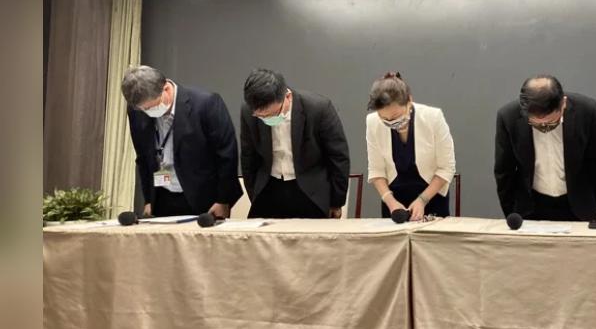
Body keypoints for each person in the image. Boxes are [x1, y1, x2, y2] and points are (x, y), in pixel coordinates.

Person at [122, 65, 242, 217]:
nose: (148, 112)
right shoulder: (137, 112)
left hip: (204, 199)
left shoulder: (206, 104)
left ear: (166, 88)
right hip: (162, 197)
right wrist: (148, 200)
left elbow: (226, 154)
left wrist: (223, 200)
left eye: (152, 106)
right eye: (144, 109)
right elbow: (143, 158)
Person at [494, 75, 596, 221]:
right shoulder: (508, 116)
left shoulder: (587, 110)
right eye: (536, 124)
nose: (544, 129)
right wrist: (510, 212)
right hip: (530, 207)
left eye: (551, 123)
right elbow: (504, 169)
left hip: (578, 205)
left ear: (563, 103)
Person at [240, 69, 351, 218]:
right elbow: (248, 157)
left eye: (273, 114)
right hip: (269, 189)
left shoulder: (318, 108)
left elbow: (338, 157)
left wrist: (336, 202)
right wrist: (254, 194)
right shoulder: (248, 111)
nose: (267, 120)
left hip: (310, 191)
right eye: (261, 116)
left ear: (287, 97)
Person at [366, 72, 456, 221]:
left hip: (432, 196)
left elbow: (446, 168)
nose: (391, 122)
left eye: (395, 117)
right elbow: (376, 170)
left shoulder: (433, 118)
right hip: (394, 201)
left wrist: (422, 200)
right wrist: (390, 201)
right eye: (385, 119)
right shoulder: (373, 122)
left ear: (409, 101)